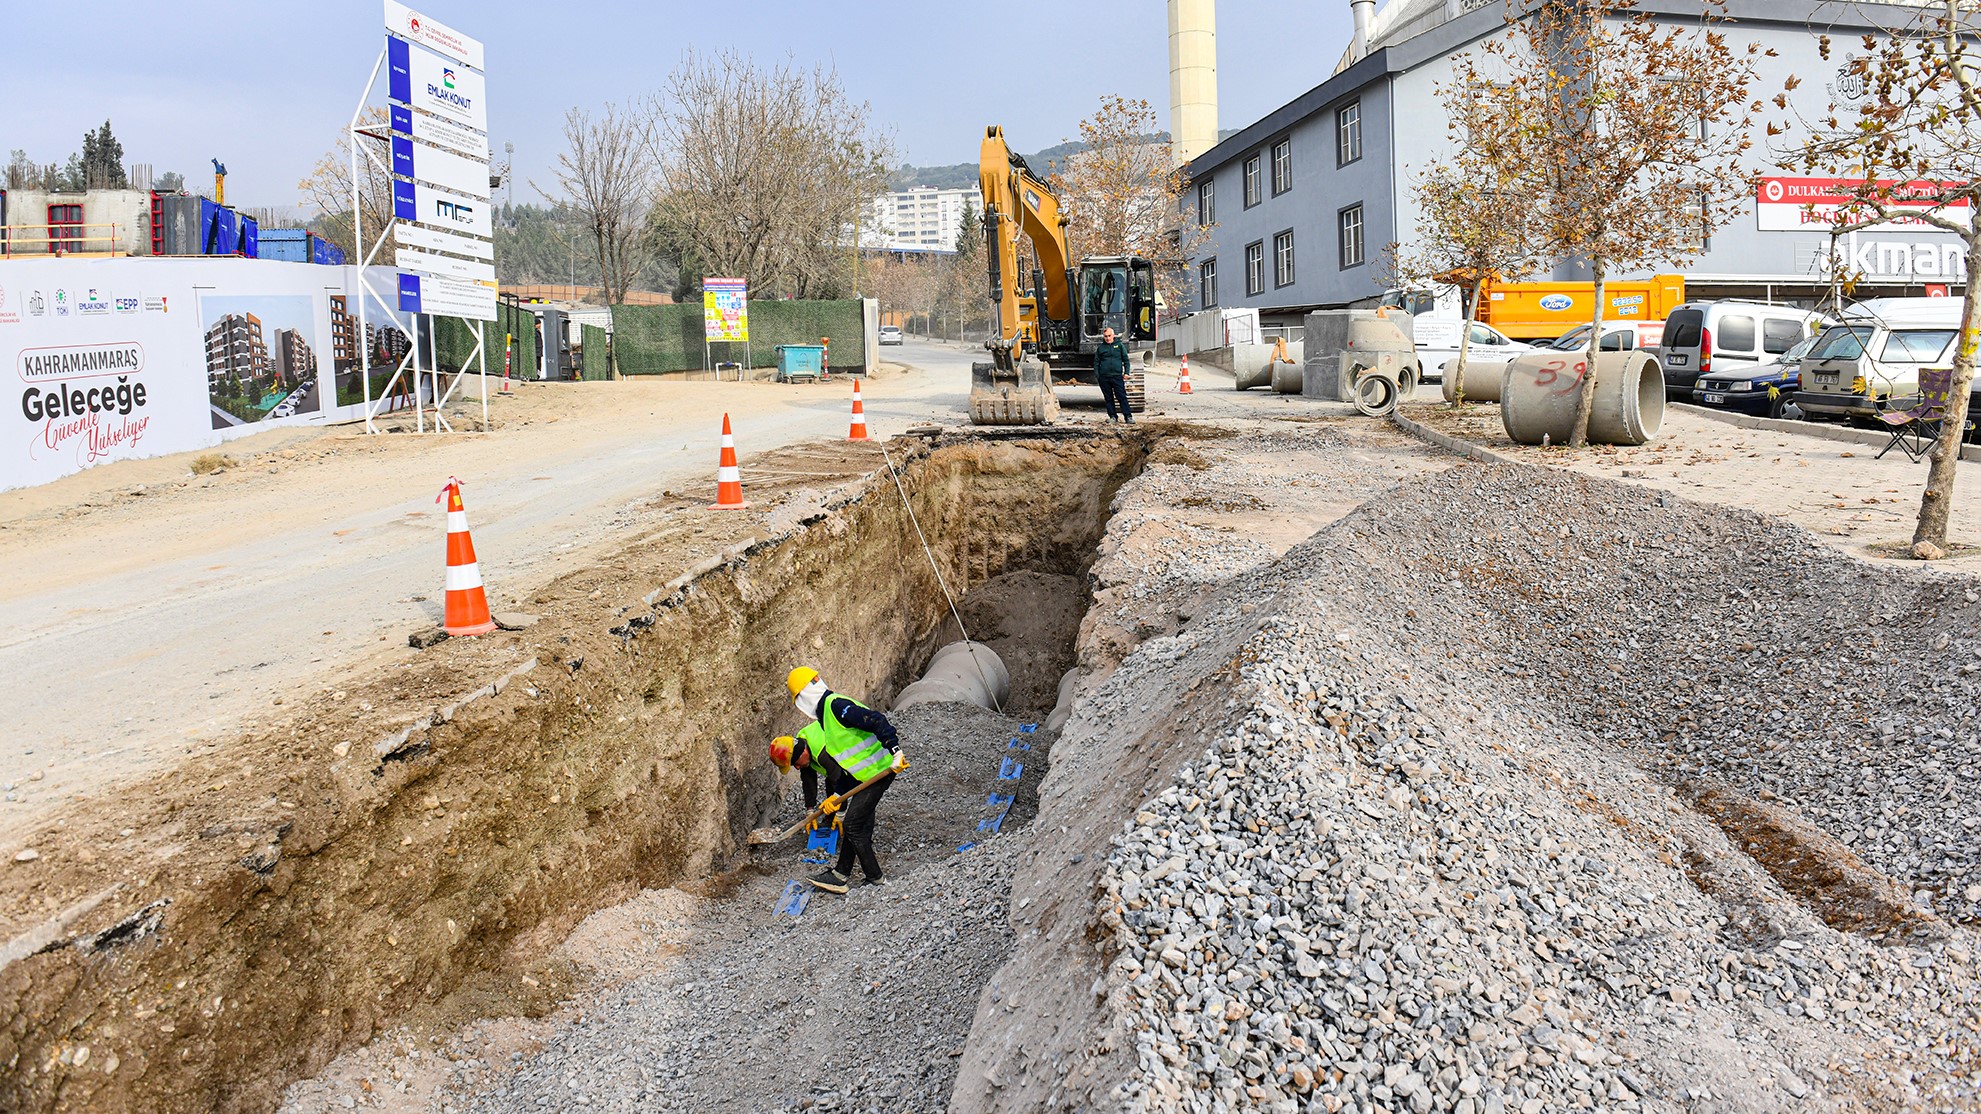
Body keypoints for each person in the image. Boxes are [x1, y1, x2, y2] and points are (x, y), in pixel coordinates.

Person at [786, 666, 904, 893]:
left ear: (803, 697)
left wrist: (895, 751)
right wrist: (837, 795)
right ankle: (840, 875)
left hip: (880, 770)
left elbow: (876, 720)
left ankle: (876, 880)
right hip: (863, 775)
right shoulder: (825, 721)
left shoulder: (836, 706)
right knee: (858, 822)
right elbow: (848, 764)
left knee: (853, 825)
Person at [1093, 326, 1134, 423]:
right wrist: (1098, 375)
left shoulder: (1119, 346)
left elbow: (1126, 360)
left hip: (1117, 376)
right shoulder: (1101, 348)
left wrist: (1126, 372)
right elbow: (1096, 362)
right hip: (1104, 377)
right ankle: (1113, 417)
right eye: (1105, 336)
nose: (1107, 338)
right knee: (1108, 398)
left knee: (1121, 396)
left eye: (1109, 336)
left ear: (1113, 335)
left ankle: (1128, 416)